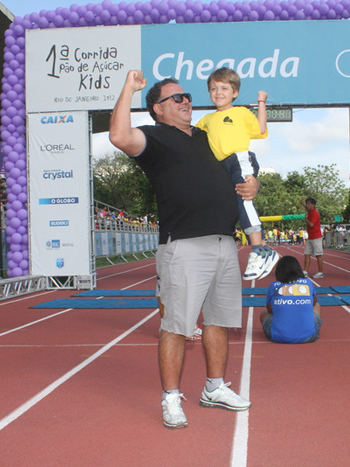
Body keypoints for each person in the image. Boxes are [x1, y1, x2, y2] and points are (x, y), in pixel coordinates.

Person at [109, 70, 255, 429]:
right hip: (185, 245)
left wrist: (252, 183)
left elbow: (239, 163)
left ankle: (215, 387)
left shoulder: (208, 135)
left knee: (219, 322)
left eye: (187, 95)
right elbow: (118, 135)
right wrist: (129, 88)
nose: (186, 100)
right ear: (158, 109)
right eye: (176, 97)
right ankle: (171, 398)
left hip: (224, 241)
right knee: (176, 326)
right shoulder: (155, 139)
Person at [195, 67, 278, 281]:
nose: (218, 92)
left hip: (240, 159)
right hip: (221, 167)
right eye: (213, 88)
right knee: (231, 206)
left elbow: (260, 130)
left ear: (235, 93)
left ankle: (259, 249)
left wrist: (261, 101)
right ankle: (261, 249)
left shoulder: (240, 112)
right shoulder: (206, 120)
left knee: (244, 197)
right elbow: (192, 139)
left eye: (224, 87)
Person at [260, 256, 322, 343]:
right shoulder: (308, 283)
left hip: (278, 337)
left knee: (263, 313)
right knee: (317, 306)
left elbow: (270, 310)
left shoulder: (273, 285)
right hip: (309, 337)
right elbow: (314, 302)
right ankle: (305, 327)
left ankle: (283, 329)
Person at [300, 197, 324, 278]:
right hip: (310, 237)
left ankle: (320, 272)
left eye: (308, 204)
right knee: (306, 254)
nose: (307, 206)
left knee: (318, 255)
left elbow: (311, 224)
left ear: (313, 205)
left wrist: (306, 219)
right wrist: (303, 203)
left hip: (316, 237)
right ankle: (305, 271)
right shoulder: (309, 211)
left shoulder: (314, 213)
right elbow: (306, 207)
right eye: (306, 204)